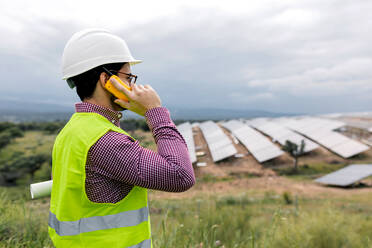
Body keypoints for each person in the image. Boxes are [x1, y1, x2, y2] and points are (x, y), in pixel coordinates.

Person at [48, 29, 195, 248]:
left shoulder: (73, 130)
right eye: (128, 78)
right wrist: (154, 111)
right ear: (106, 79)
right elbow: (181, 176)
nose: (133, 87)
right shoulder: (105, 140)